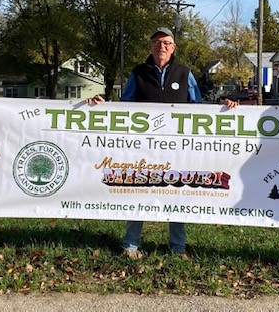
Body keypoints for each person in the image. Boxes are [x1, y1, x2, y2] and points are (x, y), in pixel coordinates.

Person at [89, 27, 238, 258]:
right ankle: (131, 245)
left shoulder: (184, 73)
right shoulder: (138, 73)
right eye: (157, 42)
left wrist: (224, 108)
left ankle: (177, 248)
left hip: (177, 149)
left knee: (177, 193)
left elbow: (197, 108)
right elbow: (125, 104)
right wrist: (102, 105)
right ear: (150, 46)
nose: (162, 46)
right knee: (138, 191)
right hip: (143, 149)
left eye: (167, 43)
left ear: (173, 47)